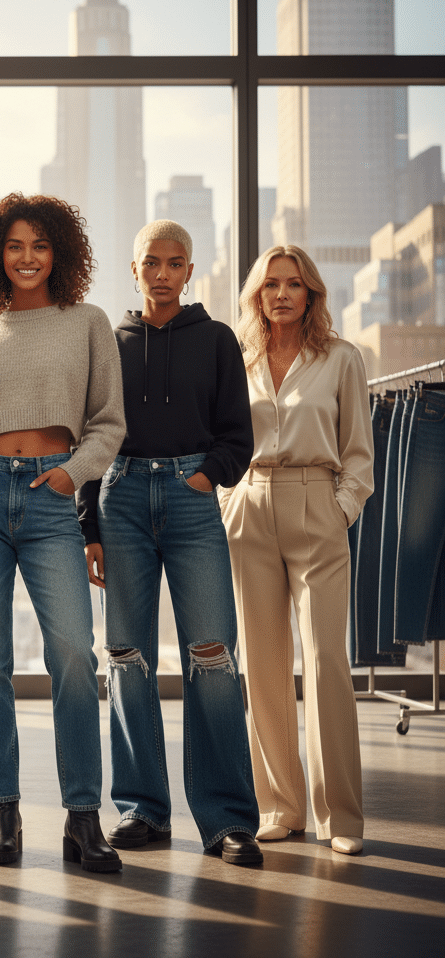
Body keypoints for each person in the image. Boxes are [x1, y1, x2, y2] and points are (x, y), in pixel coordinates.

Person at [0, 193, 126, 871]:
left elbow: (108, 421)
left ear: (60, 254)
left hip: (52, 500)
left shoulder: (87, 322)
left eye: (39, 246)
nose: (26, 257)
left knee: (75, 654)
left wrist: (72, 475)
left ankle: (83, 818)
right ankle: (5, 813)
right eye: (14, 246)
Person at [77, 219, 263, 865]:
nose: (162, 273)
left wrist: (205, 477)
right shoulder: (108, 340)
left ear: (190, 271)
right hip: (120, 498)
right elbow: (89, 437)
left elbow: (237, 434)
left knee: (212, 659)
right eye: (150, 261)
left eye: (174, 262)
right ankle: (141, 810)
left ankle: (229, 820)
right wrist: (90, 527)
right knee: (126, 658)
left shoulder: (216, 340)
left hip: (191, 502)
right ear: (134, 269)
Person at [221, 245, 374, 856]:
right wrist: (228, 503)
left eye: (294, 284)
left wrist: (341, 508)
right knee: (261, 664)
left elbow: (358, 451)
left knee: (326, 662)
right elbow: (222, 439)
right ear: (256, 295)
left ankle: (342, 816)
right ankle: (279, 805)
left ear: (311, 294)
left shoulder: (341, 359)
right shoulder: (239, 360)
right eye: (270, 284)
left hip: (318, 506)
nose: (282, 294)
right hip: (250, 504)